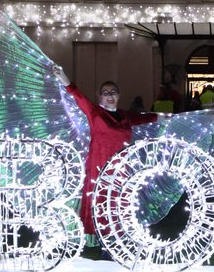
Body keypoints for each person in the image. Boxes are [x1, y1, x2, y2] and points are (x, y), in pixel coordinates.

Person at [53, 66, 160, 254]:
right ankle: (106, 245)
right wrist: (64, 78)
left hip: (121, 171)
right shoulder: (95, 113)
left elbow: (151, 118)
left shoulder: (125, 117)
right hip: (99, 169)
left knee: (119, 205)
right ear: (100, 97)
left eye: (113, 92)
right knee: (103, 204)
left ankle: (116, 242)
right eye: (105, 93)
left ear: (119, 95)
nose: (109, 96)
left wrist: (184, 116)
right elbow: (78, 97)